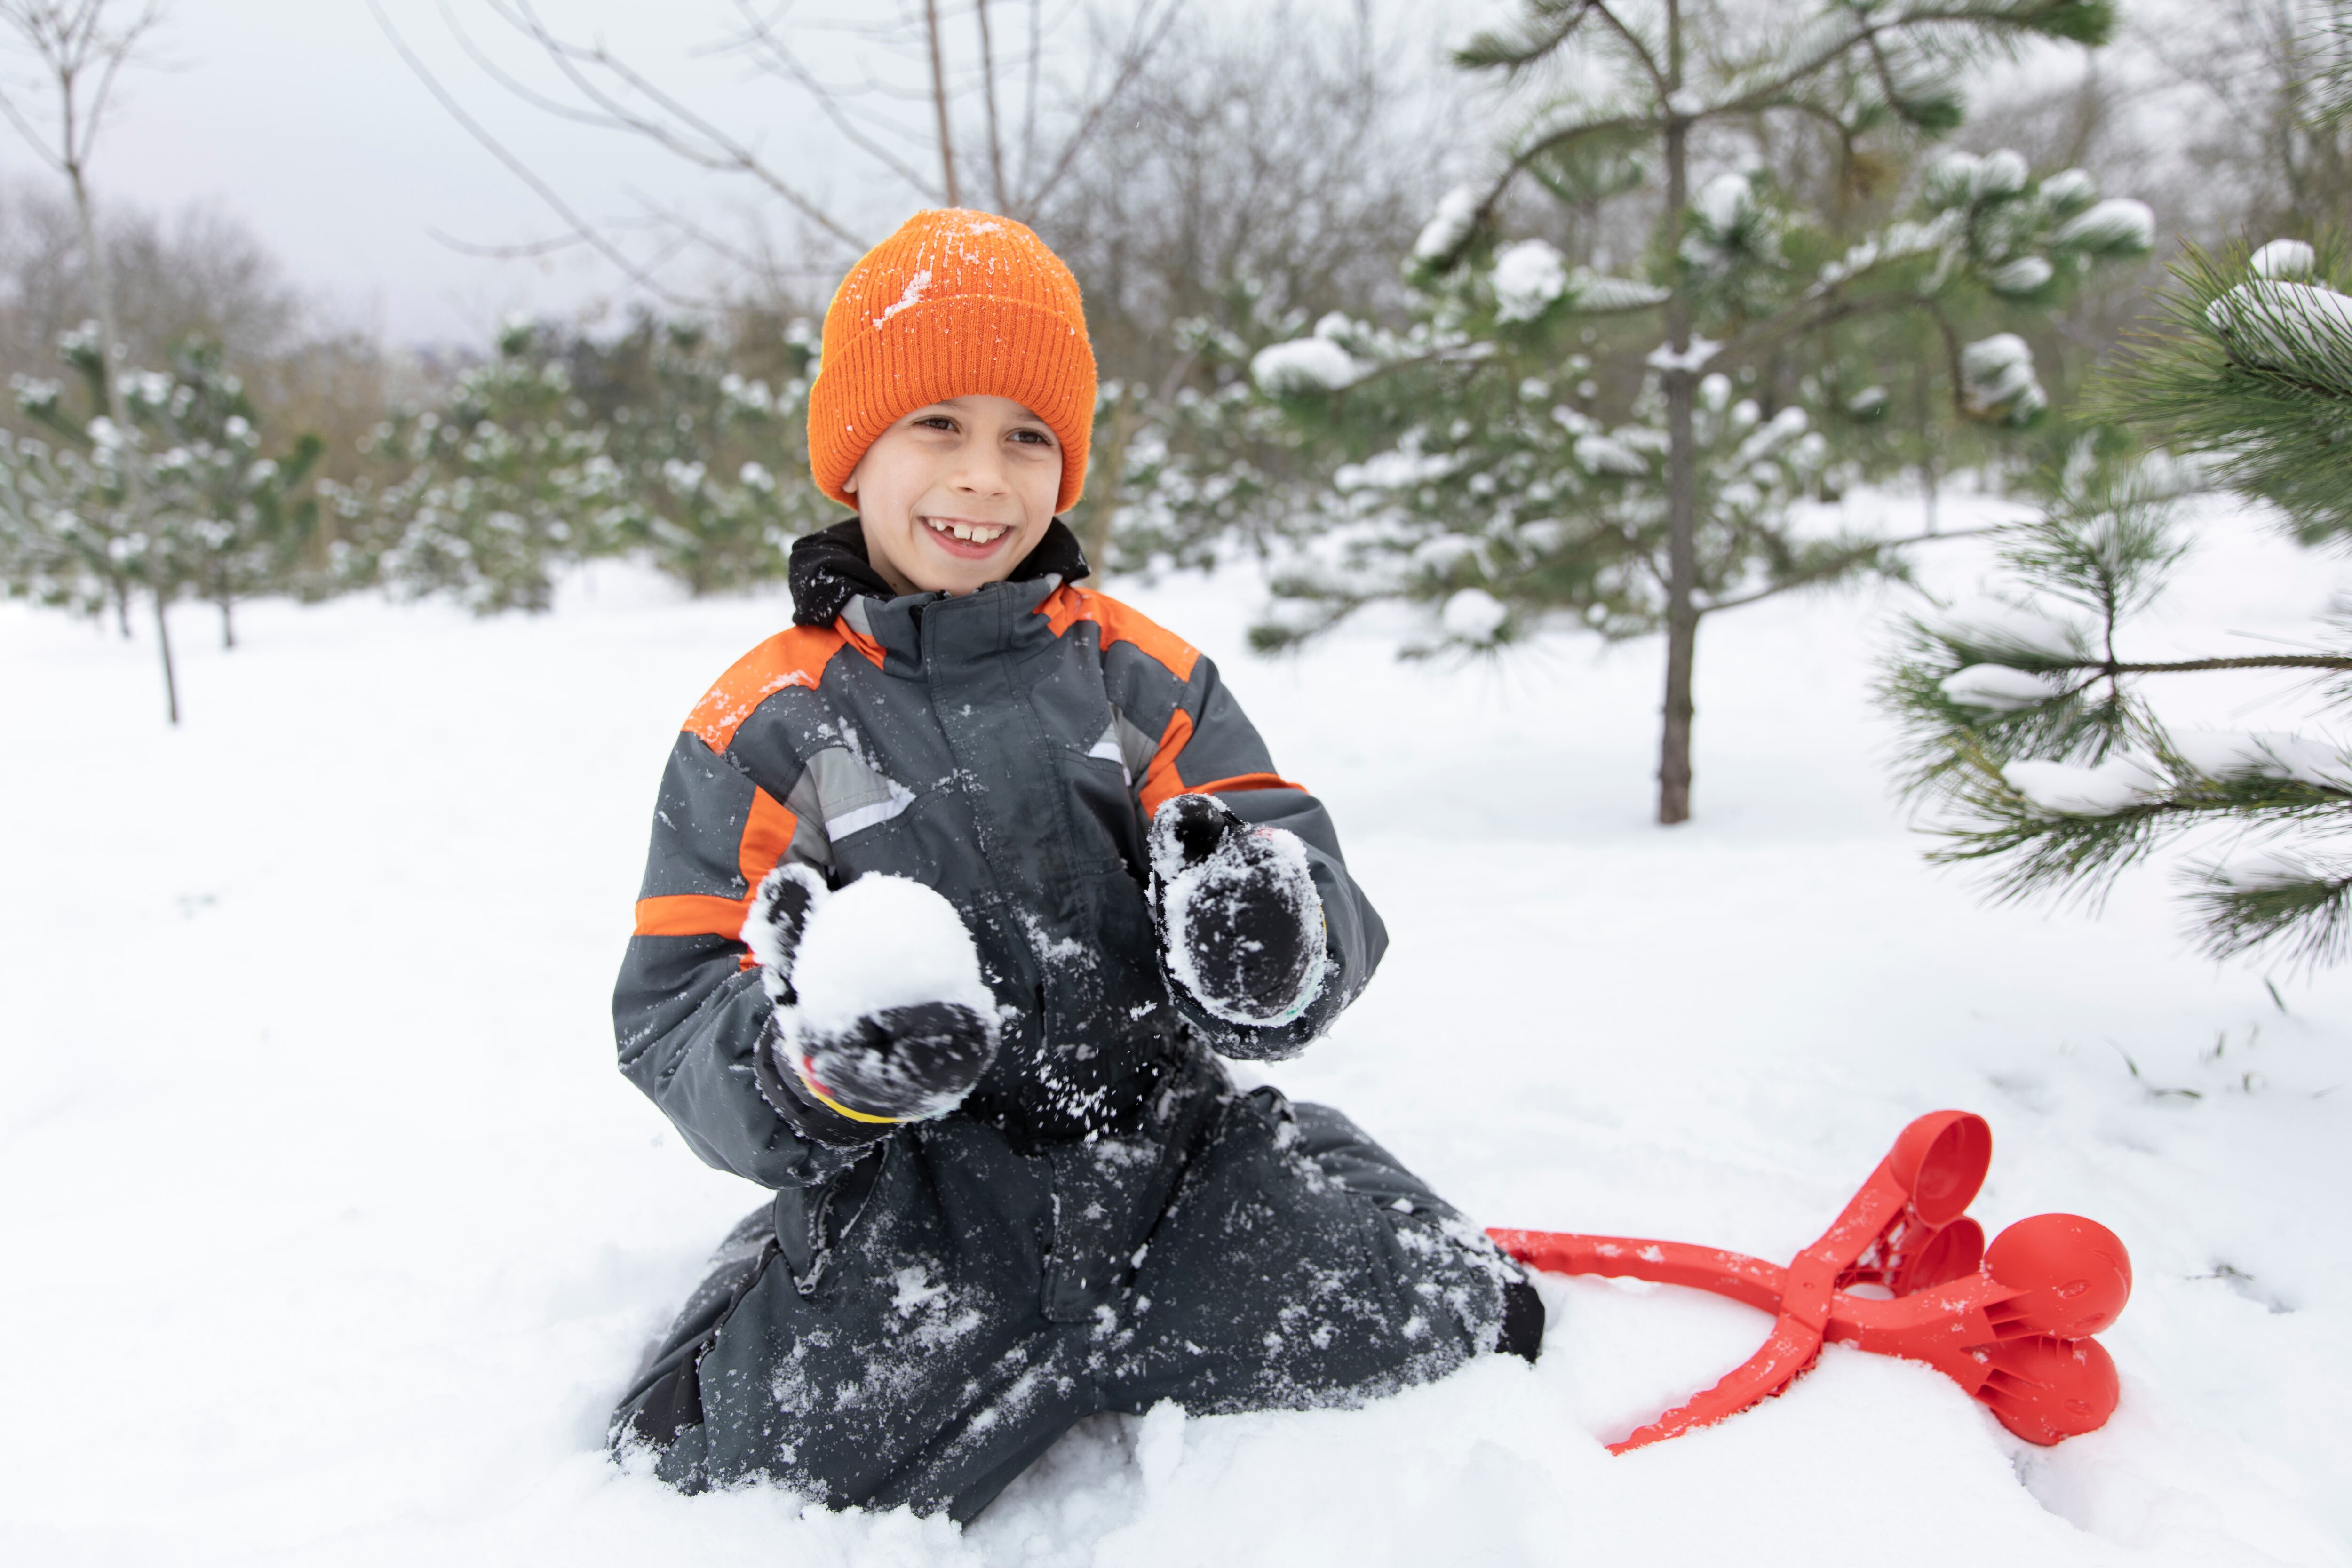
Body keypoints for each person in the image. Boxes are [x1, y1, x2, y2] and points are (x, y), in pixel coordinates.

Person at [609, 208, 1542, 1522]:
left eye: (1026, 436)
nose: (984, 478)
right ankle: (779, 1292)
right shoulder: (763, 726)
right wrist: (809, 1063)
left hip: (1169, 1160)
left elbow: (1288, 856)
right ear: (854, 450)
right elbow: (674, 1006)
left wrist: (1267, 935)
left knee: (1459, 1309)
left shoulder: (1135, 674)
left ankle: (1288, 1182)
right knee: (721, 1465)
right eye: (939, 424)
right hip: (921, 1206)